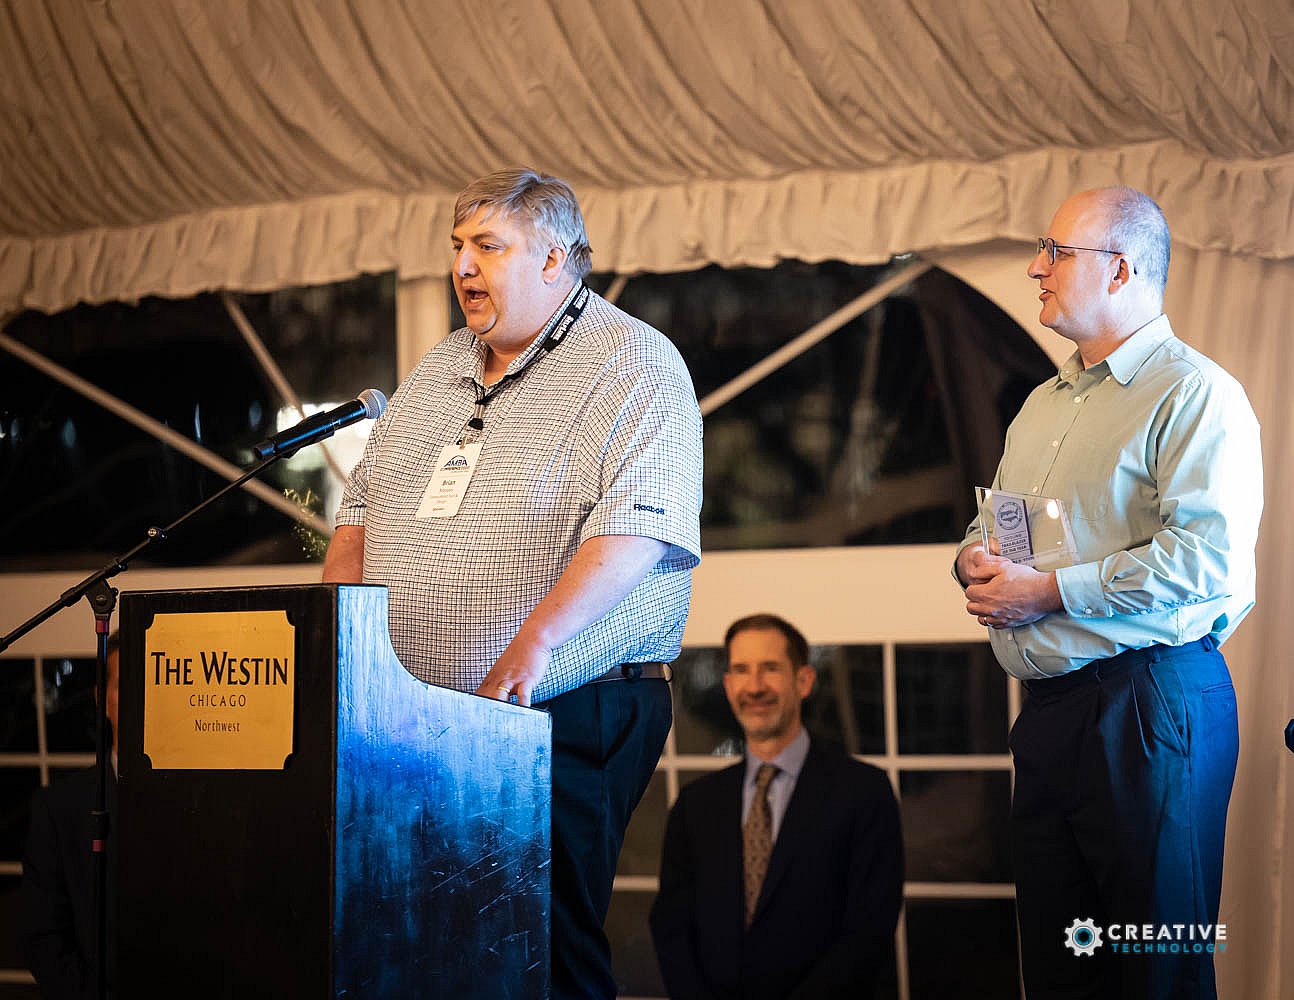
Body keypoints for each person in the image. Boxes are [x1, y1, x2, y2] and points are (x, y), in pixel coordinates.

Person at [322, 167, 703, 999]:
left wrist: (530, 651)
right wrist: (339, 652)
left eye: (488, 247)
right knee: (425, 945)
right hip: (412, 720)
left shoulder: (634, 361)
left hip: (561, 705)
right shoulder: (436, 369)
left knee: (538, 949)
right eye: (458, 246)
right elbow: (359, 515)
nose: (463, 266)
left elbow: (639, 531)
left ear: (554, 259)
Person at [955, 187, 1262, 998]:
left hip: (1148, 707)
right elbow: (999, 527)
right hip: (1051, 716)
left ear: (1121, 269)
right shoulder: (1041, 405)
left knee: (1155, 973)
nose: (1036, 267)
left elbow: (1206, 560)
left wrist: (1050, 592)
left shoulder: (1195, 393)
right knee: (1064, 972)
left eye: (1056, 251)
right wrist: (974, 563)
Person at [650, 614, 902, 999]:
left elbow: (869, 929)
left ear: (804, 681)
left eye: (770, 669)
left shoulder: (864, 793)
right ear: (728, 685)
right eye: (741, 670)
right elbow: (671, 925)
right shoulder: (695, 805)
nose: (754, 687)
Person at [22, 632, 120, 999]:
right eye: (126, 685)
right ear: (102, 698)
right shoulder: (59, 809)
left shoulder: (202, 800)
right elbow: (44, 937)